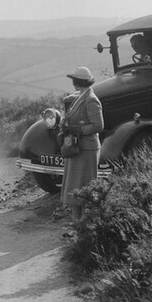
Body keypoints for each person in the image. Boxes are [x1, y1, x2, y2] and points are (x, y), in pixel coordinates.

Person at [59, 67, 104, 222]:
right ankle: (77, 224)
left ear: (78, 82)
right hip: (78, 149)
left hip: (86, 149)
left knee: (83, 187)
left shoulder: (91, 99)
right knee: (75, 187)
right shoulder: (80, 97)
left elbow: (98, 125)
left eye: (74, 81)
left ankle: (84, 224)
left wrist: (78, 129)